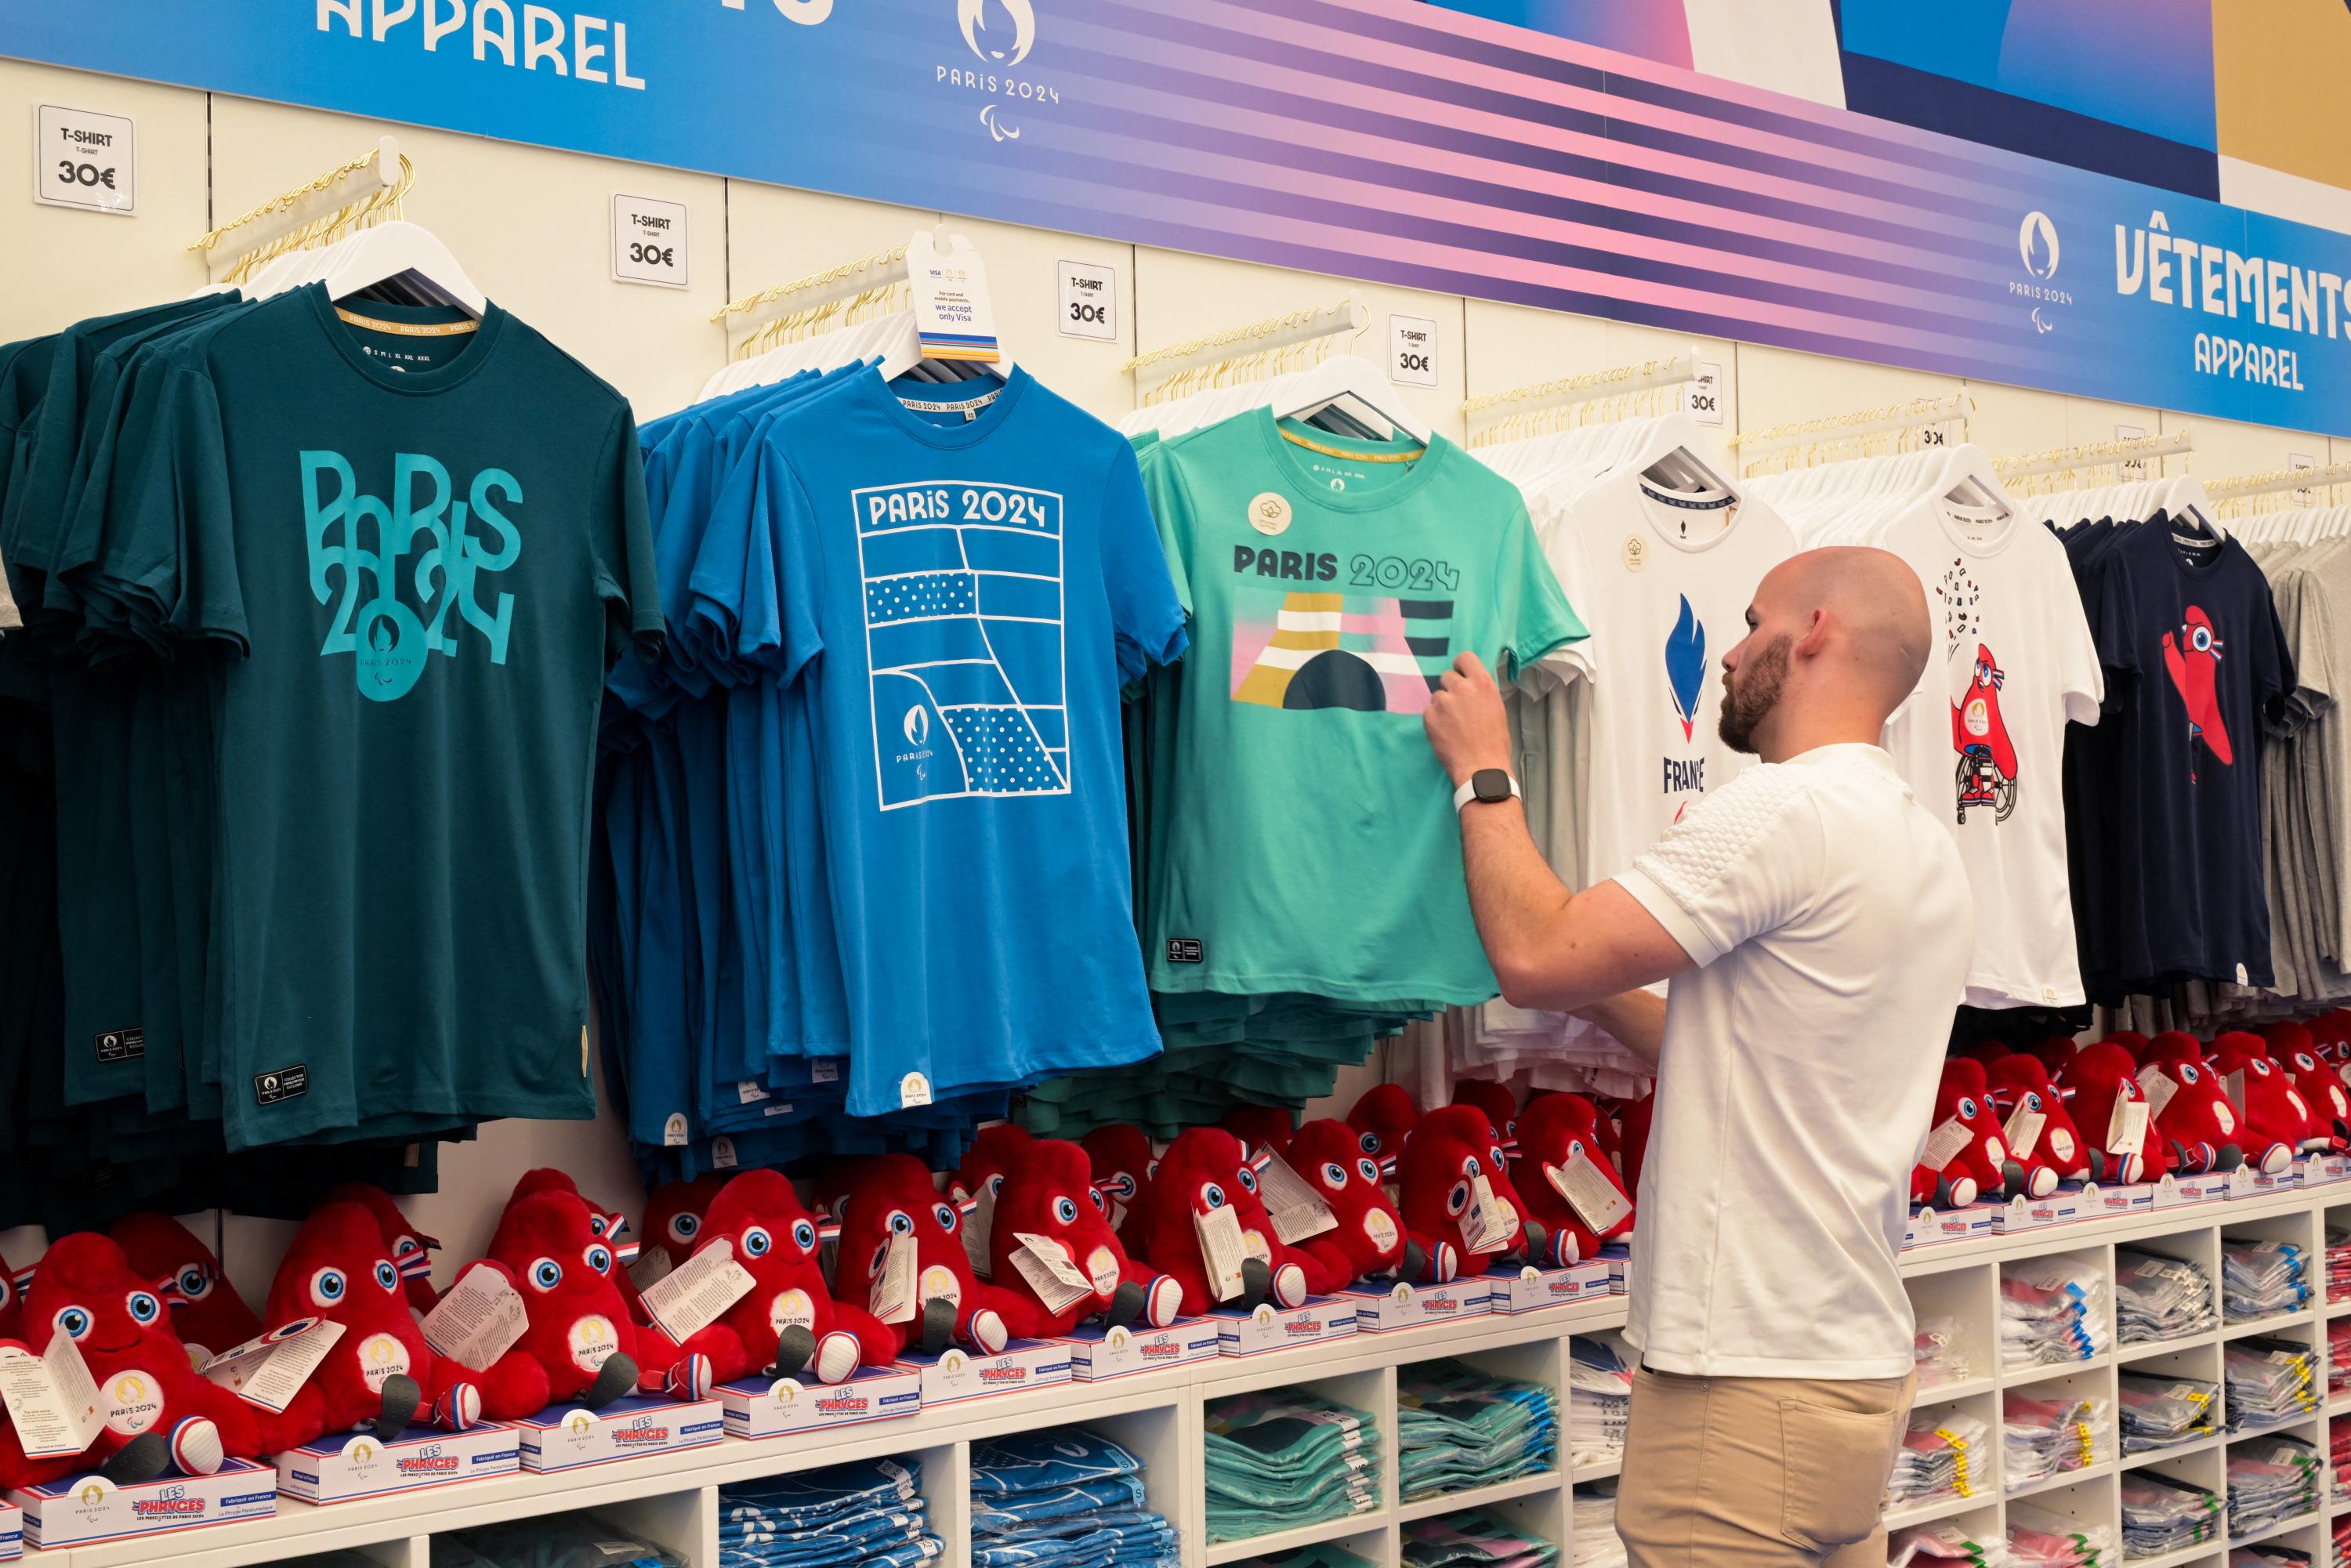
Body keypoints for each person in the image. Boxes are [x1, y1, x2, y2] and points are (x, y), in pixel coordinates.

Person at [1423, 547, 1973, 1568]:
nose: (1726, 652)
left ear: (1811, 631)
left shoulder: (1785, 809)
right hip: (1849, 1372)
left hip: (1745, 1391)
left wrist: (1482, 770)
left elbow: (1533, 951)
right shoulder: (1921, 843)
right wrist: (1601, 982)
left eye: (1752, 620)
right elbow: (1741, 1051)